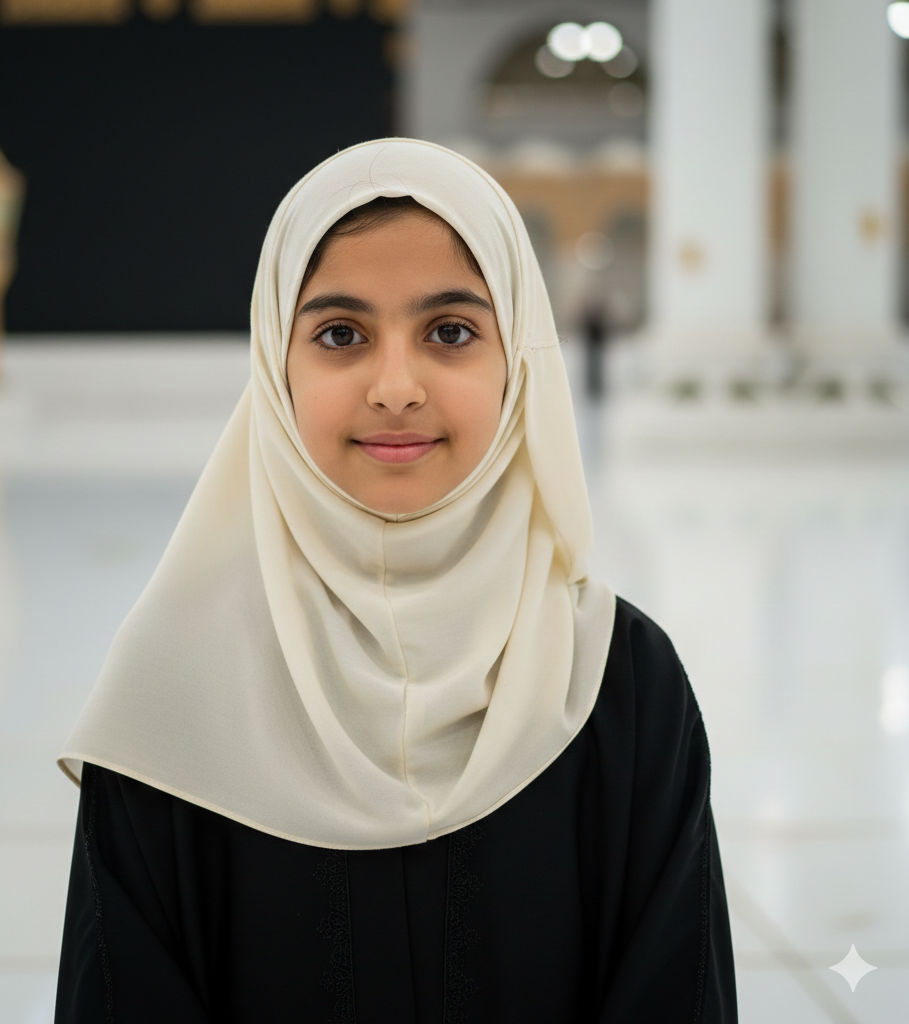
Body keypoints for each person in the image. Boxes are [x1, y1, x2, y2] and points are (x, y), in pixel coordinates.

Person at [54, 139, 737, 1023]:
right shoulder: (175, 685)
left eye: (450, 332)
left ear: (516, 362)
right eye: (341, 335)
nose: (396, 386)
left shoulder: (616, 679)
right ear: (276, 367)